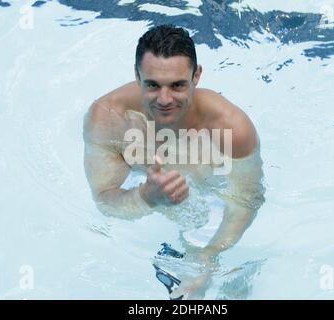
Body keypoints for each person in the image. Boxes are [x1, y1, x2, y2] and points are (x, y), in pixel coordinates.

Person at [83, 24, 265, 299]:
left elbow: (247, 200)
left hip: (212, 201)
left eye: (178, 85)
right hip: (144, 194)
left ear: (197, 76)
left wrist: (209, 255)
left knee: (225, 279)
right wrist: (146, 196)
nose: (165, 100)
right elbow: (104, 203)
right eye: (153, 85)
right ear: (137, 76)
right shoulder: (109, 117)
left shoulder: (231, 128)